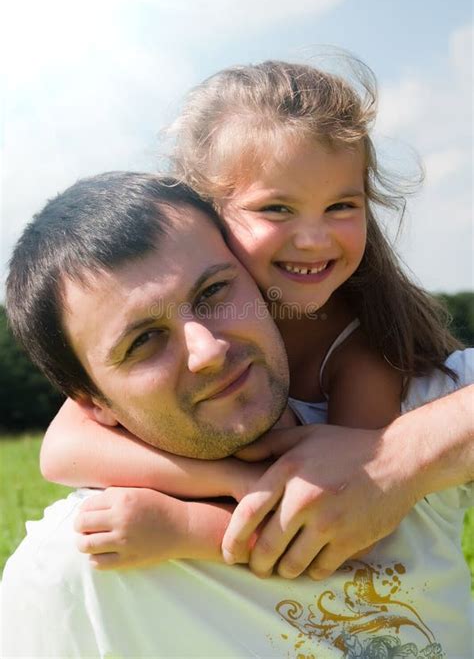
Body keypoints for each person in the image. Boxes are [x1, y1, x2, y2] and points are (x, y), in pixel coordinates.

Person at [2, 172, 473, 658]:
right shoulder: (78, 568)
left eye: (213, 292)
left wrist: (394, 460)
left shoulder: (408, 407)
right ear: (92, 402)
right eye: (144, 341)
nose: (206, 350)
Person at [41, 59, 464, 578]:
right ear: (206, 214)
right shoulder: (194, 328)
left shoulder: (361, 352)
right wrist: (229, 480)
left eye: (341, 206)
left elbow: (342, 522)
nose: (314, 239)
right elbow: (62, 450)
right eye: (277, 210)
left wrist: (183, 527)